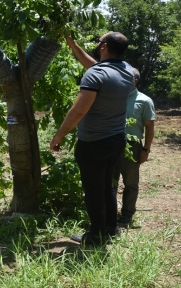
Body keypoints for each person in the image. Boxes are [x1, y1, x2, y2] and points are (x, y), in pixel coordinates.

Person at [50, 32, 135, 246]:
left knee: (93, 190)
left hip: (93, 143)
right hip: (116, 139)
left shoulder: (96, 75)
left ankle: (96, 235)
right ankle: (111, 228)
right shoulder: (127, 70)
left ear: (104, 46)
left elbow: (79, 111)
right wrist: (73, 45)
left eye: (99, 43)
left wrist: (59, 135)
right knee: (106, 185)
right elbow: (96, 67)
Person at [114, 68, 155, 226]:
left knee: (130, 183)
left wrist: (145, 149)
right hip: (111, 144)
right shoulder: (114, 97)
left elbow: (150, 127)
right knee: (110, 181)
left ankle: (127, 215)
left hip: (132, 146)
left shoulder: (144, 101)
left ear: (135, 81)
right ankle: (110, 214)